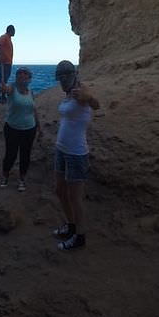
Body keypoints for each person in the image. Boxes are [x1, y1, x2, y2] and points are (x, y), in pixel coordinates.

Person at [51, 60, 99, 251]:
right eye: (60, 76)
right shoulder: (67, 94)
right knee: (60, 192)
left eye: (66, 75)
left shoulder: (80, 90)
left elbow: (96, 104)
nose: (63, 78)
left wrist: (89, 97)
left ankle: (80, 236)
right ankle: (70, 227)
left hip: (76, 153)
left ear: (74, 74)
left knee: (75, 197)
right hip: (61, 149)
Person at [0, 67, 39, 192]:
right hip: (12, 128)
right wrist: (2, 87)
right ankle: (5, 176)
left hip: (30, 129)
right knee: (11, 154)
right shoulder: (12, 88)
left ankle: (22, 179)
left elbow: (34, 110)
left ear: (29, 78)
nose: (21, 74)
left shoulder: (31, 92)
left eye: (25, 73)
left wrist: (39, 127)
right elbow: (5, 89)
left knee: (25, 155)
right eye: (19, 73)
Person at [0, 25, 15, 103]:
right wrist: (0, 55)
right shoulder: (4, 37)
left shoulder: (8, 39)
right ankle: (1, 96)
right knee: (3, 79)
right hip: (4, 62)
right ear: (10, 30)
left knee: (5, 79)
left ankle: (3, 95)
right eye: (13, 30)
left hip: (8, 62)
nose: (15, 32)